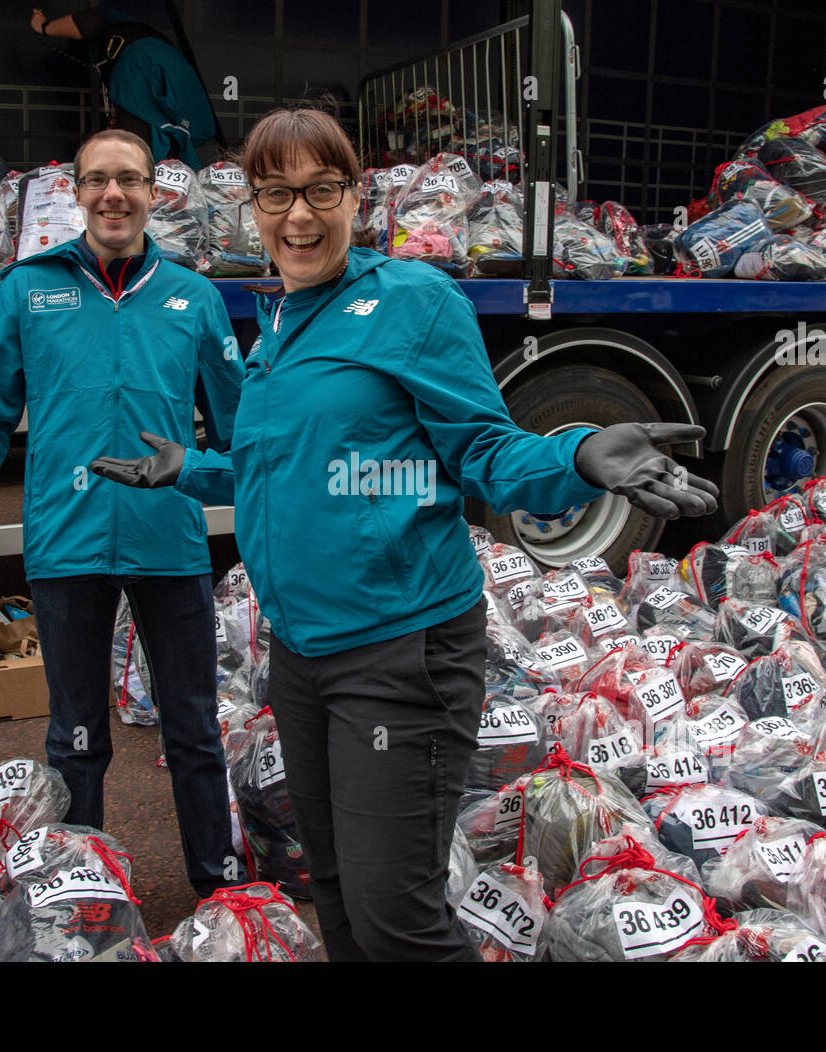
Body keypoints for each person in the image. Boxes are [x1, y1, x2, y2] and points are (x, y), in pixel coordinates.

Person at [91, 108, 719, 960]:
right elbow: (291, 467)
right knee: (338, 890)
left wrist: (577, 454)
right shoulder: (279, 321)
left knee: (398, 918)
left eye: (321, 190)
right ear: (254, 206)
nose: (299, 216)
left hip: (400, 652)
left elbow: (486, 453)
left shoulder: (413, 302)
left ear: (357, 197)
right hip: (305, 652)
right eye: (277, 194)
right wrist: (193, 470)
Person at [0, 128, 246, 897]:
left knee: (193, 732)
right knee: (77, 739)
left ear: (155, 194)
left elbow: (241, 442)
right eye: (97, 180)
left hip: (171, 545)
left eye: (129, 179)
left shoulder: (197, 298)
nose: (113, 194)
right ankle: (76, 902)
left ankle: (219, 894)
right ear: (77, 193)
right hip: (67, 547)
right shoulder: (27, 290)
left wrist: (224, 491)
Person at [30, 6, 216, 169]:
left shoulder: (111, 21)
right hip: (181, 73)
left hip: (141, 64)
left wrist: (45, 27)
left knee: (133, 149)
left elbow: (86, 22)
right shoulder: (153, 37)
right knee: (173, 133)